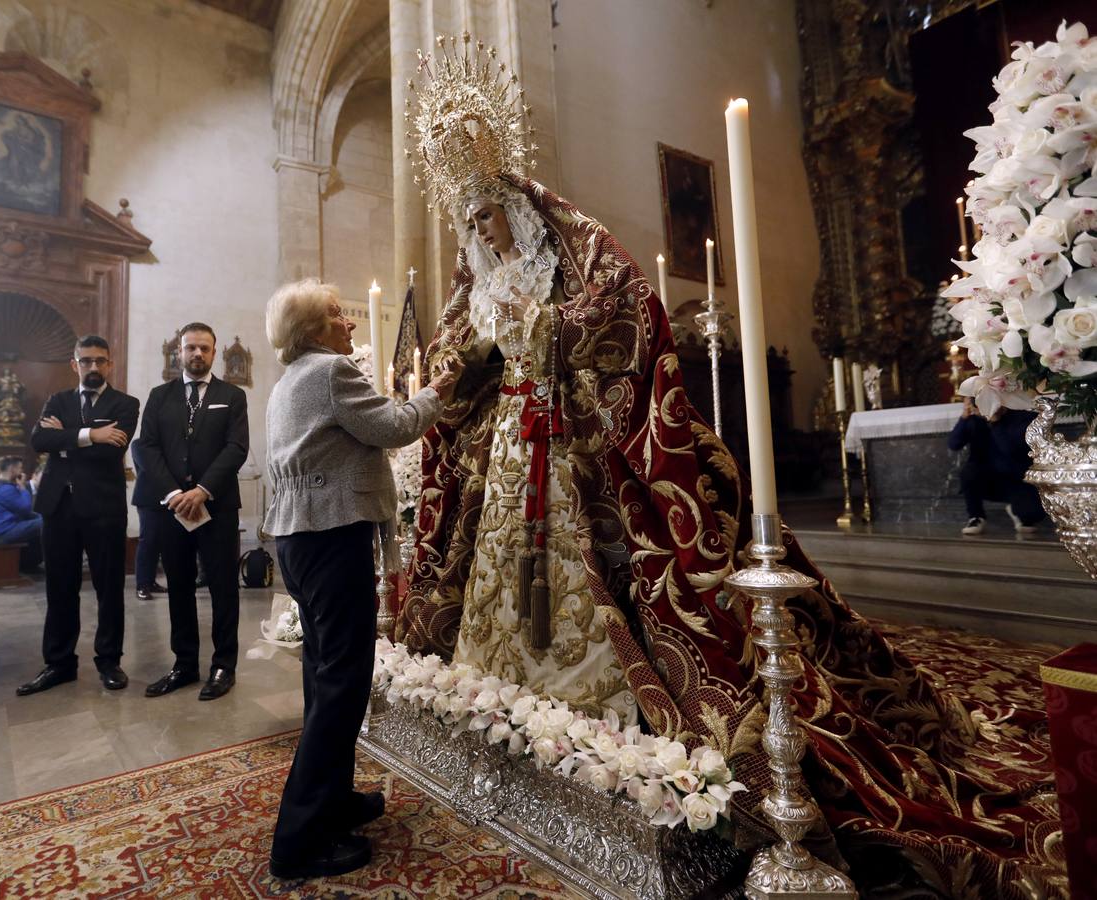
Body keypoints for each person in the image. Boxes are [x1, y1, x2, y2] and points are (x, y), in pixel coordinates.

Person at [394, 38, 1053, 898]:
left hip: (567, 451)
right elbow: (461, 355)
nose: (479, 233)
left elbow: (622, 308)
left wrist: (547, 332)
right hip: (515, 444)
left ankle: (596, 705)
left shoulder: (565, 254)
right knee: (501, 583)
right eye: (469, 221)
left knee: (594, 576)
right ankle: (508, 691)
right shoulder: (477, 285)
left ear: (517, 210)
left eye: (488, 216)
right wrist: (455, 372)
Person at [262, 278, 461, 880]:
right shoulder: (328, 373)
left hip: (301, 537)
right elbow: (395, 427)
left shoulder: (288, 381)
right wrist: (438, 390)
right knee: (342, 684)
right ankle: (299, 840)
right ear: (312, 332)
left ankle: (335, 802)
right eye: (335, 315)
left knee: (325, 675)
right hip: (330, 536)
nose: (348, 324)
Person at [17, 335, 139, 696]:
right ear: (75, 365)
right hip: (58, 507)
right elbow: (39, 441)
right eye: (86, 361)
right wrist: (92, 434)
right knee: (59, 587)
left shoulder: (126, 403)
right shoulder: (58, 400)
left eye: (101, 360)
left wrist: (67, 440)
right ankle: (58, 663)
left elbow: (110, 450)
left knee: (109, 588)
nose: (94, 367)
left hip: (103, 508)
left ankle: (109, 661)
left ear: (110, 364)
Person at [133, 323, 249, 702]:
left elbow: (236, 448)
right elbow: (146, 447)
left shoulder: (231, 396)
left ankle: (223, 666)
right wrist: (172, 492)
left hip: (216, 505)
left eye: (204, 348)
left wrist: (201, 490)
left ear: (214, 353)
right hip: (171, 508)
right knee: (178, 586)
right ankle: (184, 664)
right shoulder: (160, 395)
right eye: (190, 348)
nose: (197, 354)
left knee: (222, 587)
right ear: (178, 353)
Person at [948, 398, 1043, 535]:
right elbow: (953, 444)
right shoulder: (975, 420)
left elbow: (1011, 449)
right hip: (986, 478)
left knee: (1033, 514)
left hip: (1017, 477)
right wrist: (964, 417)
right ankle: (976, 516)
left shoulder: (1023, 417)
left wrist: (996, 421)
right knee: (969, 472)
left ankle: (1017, 510)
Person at [0, 455, 43, 572]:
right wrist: (22, 488)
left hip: (1, 530)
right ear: (12, 469)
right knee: (48, 523)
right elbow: (26, 508)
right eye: (20, 468)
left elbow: (24, 512)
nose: (21, 472)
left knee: (44, 521)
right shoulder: (5, 489)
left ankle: (28, 563)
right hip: (4, 533)